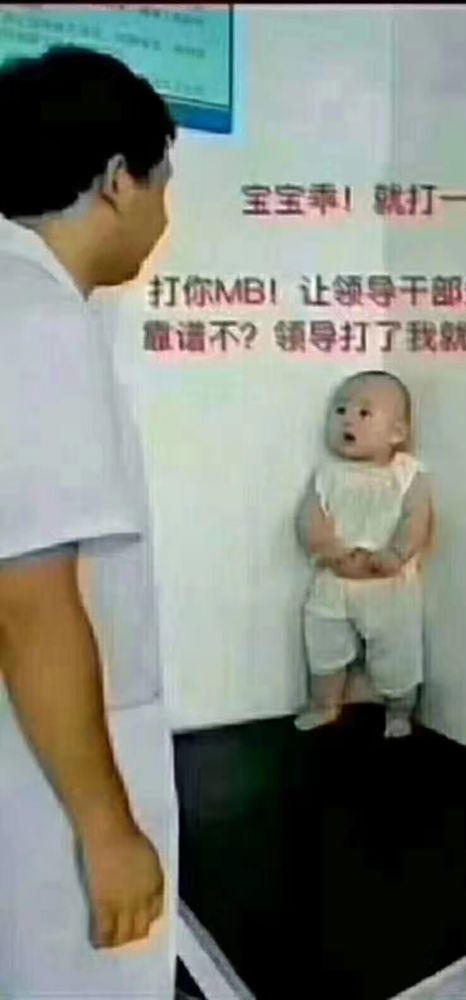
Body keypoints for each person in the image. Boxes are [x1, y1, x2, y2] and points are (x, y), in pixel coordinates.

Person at [0, 46, 179, 998]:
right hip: (48, 775)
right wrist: (109, 832)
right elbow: (28, 600)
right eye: (162, 186)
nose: (164, 216)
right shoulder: (34, 322)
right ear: (117, 180)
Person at [294, 370, 435, 738]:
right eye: (340, 410)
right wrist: (329, 551)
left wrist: (397, 553)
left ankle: (400, 710)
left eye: (363, 413)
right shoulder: (327, 473)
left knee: (397, 651)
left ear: (397, 433)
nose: (347, 420)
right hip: (336, 577)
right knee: (323, 643)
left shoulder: (407, 474)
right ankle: (324, 703)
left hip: (388, 582)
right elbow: (309, 517)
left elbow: (416, 519)